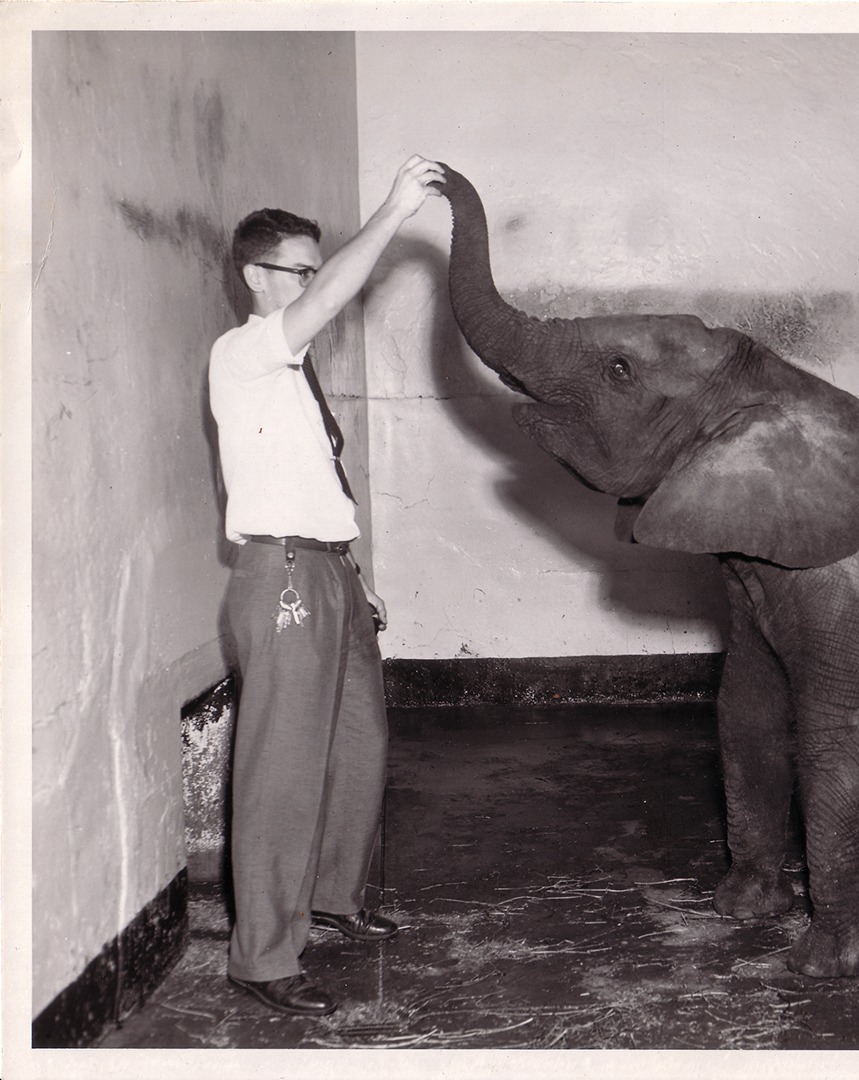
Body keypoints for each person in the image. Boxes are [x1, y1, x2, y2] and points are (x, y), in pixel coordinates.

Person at [209, 155, 444, 1016]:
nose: (314, 285)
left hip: (328, 570)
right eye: (299, 272)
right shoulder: (243, 354)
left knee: (357, 747)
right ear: (255, 277)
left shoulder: (295, 378)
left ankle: (334, 897)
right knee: (281, 768)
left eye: (316, 268)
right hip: (280, 576)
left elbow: (325, 480)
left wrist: (361, 569)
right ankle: (262, 959)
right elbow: (332, 298)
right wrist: (391, 212)